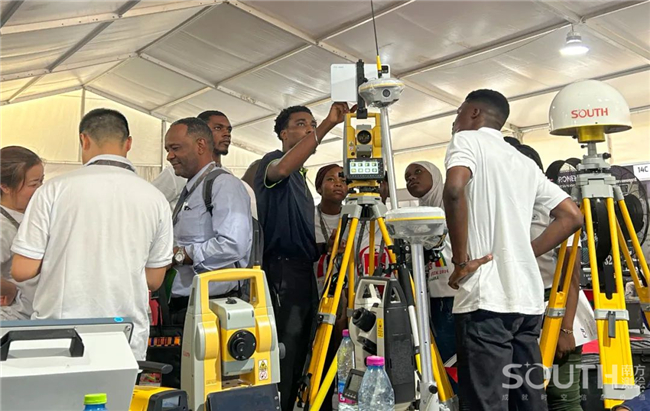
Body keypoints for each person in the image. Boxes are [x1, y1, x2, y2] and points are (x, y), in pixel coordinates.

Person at [442, 89, 583, 411]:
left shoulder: (467, 140)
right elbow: (572, 216)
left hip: (486, 299)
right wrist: (523, 253)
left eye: (459, 112)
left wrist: (461, 261)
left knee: (486, 402)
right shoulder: (523, 162)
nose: (455, 120)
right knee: (527, 398)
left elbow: (454, 189)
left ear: (474, 113)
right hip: (526, 302)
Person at [11, 108, 173, 360]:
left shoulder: (53, 190)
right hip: (125, 335)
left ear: (83, 140)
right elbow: (153, 280)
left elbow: (22, 270)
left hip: (61, 333)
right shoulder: (156, 199)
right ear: (128, 143)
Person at [254, 102, 353, 411]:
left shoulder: (299, 178)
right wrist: (326, 125)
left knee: (304, 351)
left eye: (311, 123)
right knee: (287, 349)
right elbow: (281, 168)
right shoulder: (273, 162)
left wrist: (324, 248)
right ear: (283, 134)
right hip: (281, 272)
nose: (309, 127)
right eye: (301, 123)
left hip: (302, 271)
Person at [508, 140, 584, 411]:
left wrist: (565, 328)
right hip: (514, 311)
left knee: (562, 399)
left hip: (553, 306)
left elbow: (571, 274)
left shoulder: (557, 209)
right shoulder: (503, 208)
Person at [164, 117, 252, 320]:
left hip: (211, 307)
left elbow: (233, 244)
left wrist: (180, 255)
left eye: (175, 148)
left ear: (201, 145)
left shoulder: (224, 185)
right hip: (186, 305)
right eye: (168, 149)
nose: (169, 156)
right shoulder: (193, 187)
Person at [152, 110, 257, 218]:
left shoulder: (227, 176)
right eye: (218, 128)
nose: (226, 134)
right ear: (202, 132)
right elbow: (149, 204)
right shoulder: (175, 173)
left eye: (229, 130)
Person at [404, 161, 457, 365]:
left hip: (457, 293)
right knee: (443, 359)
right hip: (433, 296)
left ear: (435, 175)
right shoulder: (418, 216)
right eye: (407, 177)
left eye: (418, 171)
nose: (412, 178)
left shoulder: (456, 204)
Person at [0, 146, 44, 320]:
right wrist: (9, 289)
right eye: (33, 184)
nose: (41, 189)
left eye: (42, 181)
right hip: (11, 319)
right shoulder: (3, 226)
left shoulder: (30, 214)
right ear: (5, 187)